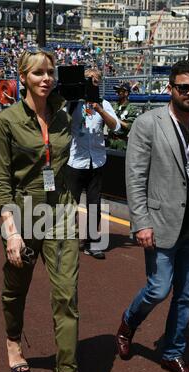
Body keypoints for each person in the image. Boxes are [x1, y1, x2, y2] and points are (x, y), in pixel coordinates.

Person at [0, 50, 86, 372]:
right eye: (38, 72)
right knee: (17, 285)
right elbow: (1, 182)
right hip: (24, 213)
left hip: (60, 214)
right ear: (23, 77)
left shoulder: (64, 115)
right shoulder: (6, 121)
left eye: (50, 72)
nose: (46, 78)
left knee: (67, 296)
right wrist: (11, 231)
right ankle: (13, 339)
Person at [116, 60, 189, 372]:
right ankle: (128, 322)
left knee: (187, 294)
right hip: (161, 222)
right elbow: (135, 176)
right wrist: (141, 222)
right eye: (184, 87)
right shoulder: (148, 123)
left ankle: (173, 353)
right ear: (171, 89)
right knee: (158, 288)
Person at [65, 68, 120, 259]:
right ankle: (70, 240)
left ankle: (91, 242)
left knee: (94, 205)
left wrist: (99, 109)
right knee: (70, 204)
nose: (92, 83)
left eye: (95, 81)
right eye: (88, 80)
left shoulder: (103, 103)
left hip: (96, 162)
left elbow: (117, 126)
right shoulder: (72, 103)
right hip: (75, 162)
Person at [108, 82, 139, 151]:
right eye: (117, 91)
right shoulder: (114, 106)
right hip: (110, 140)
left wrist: (116, 120)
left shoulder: (131, 108)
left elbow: (131, 126)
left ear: (126, 93)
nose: (117, 93)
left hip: (121, 143)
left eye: (120, 91)